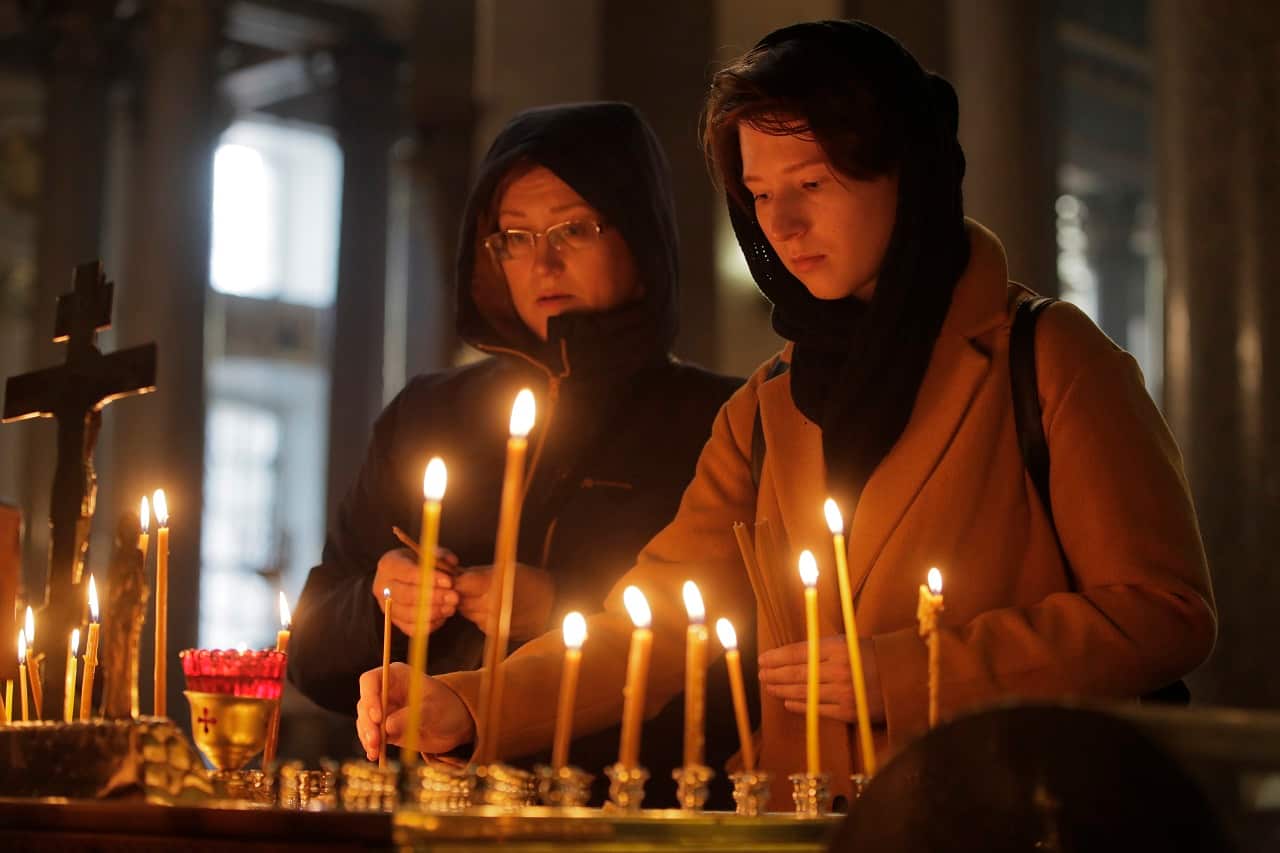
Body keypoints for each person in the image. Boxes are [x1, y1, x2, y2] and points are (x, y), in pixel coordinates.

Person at [356, 21, 1216, 809]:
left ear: (904, 172)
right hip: (813, 825)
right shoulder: (765, 409)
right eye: (762, 195)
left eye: (813, 181)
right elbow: (641, 630)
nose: (786, 223)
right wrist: (465, 704)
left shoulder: (1047, 356)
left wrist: (911, 671)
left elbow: (1161, 610)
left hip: (1009, 814)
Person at [290, 101, 744, 805]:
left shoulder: (720, 419)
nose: (544, 261)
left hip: (627, 818)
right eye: (515, 237)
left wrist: (560, 606)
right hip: (429, 815)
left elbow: (739, 661)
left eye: (575, 229)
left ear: (644, 239)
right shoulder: (427, 414)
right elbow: (311, 652)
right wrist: (383, 602)